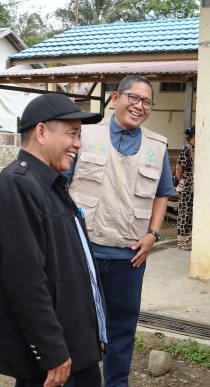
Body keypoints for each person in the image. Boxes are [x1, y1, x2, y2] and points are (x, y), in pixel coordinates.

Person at [0, 94, 105, 387]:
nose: (78, 144)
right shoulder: (17, 186)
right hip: (55, 357)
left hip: (74, 345)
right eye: (72, 134)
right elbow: (25, 280)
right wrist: (52, 350)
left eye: (79, 135)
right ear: (41, 132)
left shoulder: (49, 182)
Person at [67, 75, 174, 387]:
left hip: (129, 257)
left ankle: (116, 383)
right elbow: (61, 185)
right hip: (82, 251)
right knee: (78, 324)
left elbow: (162, 193)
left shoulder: (157, 146)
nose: (139, 106)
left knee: (122, 328)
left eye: (147, 101)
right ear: (115, 97)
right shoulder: (84, 134)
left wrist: (153, 235)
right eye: (133, 98)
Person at [175, 126, 195, 250]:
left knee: (192, 213)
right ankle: (182, 241)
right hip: (187, 186)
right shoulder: (186, 149)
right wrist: (183, 181)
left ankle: (190, 239)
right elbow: (179, 168)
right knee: (185, 213)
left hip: (195, 186)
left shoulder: (196, 149)